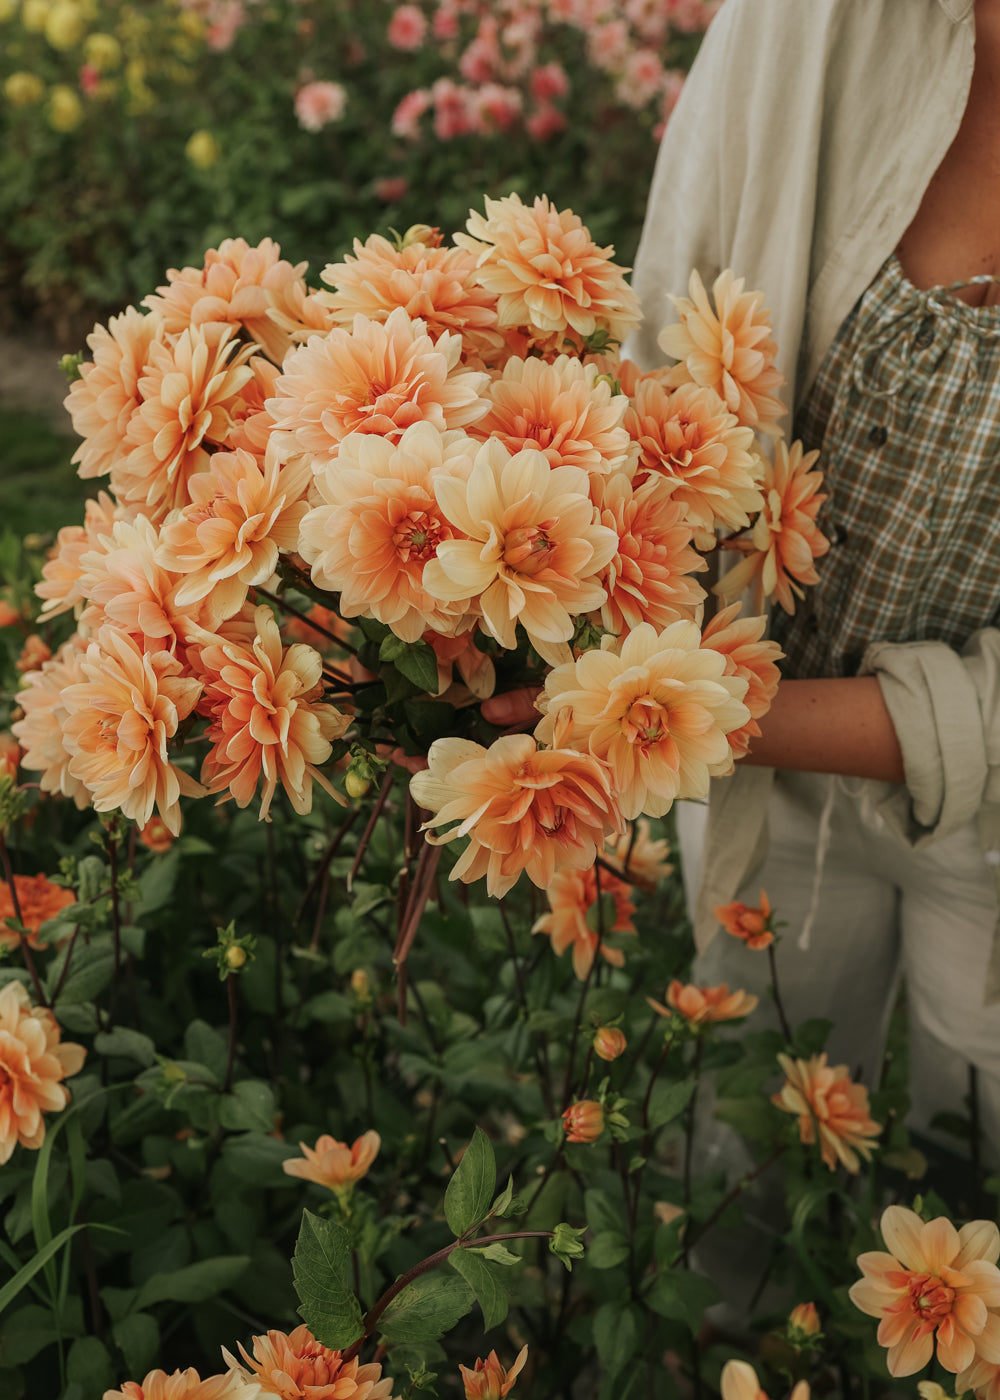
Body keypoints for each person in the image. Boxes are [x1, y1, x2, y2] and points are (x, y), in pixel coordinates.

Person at [624, 0, 1000, 1162]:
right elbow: (659, 360)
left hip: (762, 725)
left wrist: (707, 713)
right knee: (738, 1159)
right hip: (765, 771)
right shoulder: (810, 20)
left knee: (976, 1191)